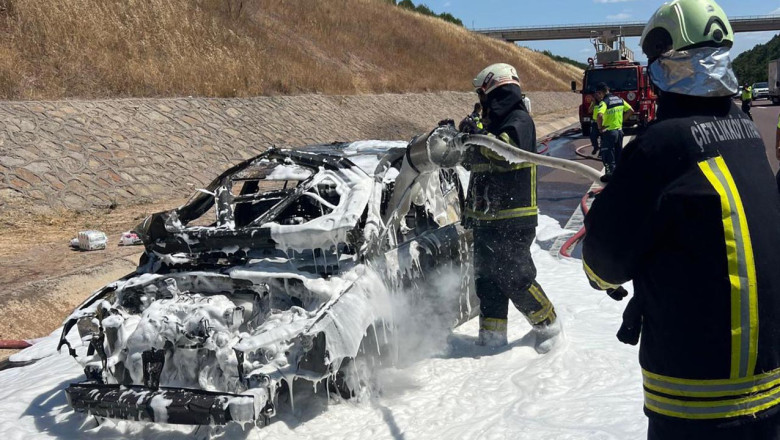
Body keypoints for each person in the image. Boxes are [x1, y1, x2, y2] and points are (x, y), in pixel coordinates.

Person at [581, 1, 780, 438]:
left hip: (695, 402)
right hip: (770, 391)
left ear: (665, 64)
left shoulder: (660, 146)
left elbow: (603, 264)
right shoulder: (745, 132)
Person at [458, 63, 561, 353]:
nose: (480, 103)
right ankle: (490, 344)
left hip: (513, 218)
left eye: (482, 95)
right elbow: (472, 163)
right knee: (487, 281)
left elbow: (506, 155)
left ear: (494, 90)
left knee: (515, 277)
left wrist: (479, 133)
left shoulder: (519, 120)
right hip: (486, 219)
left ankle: (550, 330)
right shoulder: (490, 125)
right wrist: (463, 139)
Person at [595, 82, 634, 182]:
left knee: (607, 153)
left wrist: (600, 128)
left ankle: (609, 175)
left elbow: (599, 115)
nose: (597, 96)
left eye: (598, 93)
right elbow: (631, 110)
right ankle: (619, 175)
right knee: (618, 153)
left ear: (600, 93)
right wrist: (622, 121)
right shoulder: (619, 99)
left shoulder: (604, 102)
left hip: (609, 131)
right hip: (619, 131)